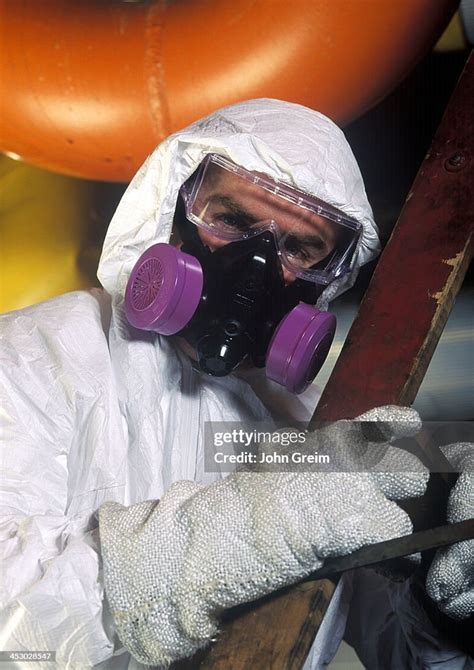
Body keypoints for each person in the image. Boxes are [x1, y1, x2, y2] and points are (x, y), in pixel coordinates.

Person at [0, 99, 471, 669]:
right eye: (233, 222)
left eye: (299, 250)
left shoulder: (311, 429)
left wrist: (447, 594)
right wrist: (240, 536)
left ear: (328, 281)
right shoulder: (32, 359)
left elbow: (403, 651)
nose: (259, 268)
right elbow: (13, 629)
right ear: (170, 209)